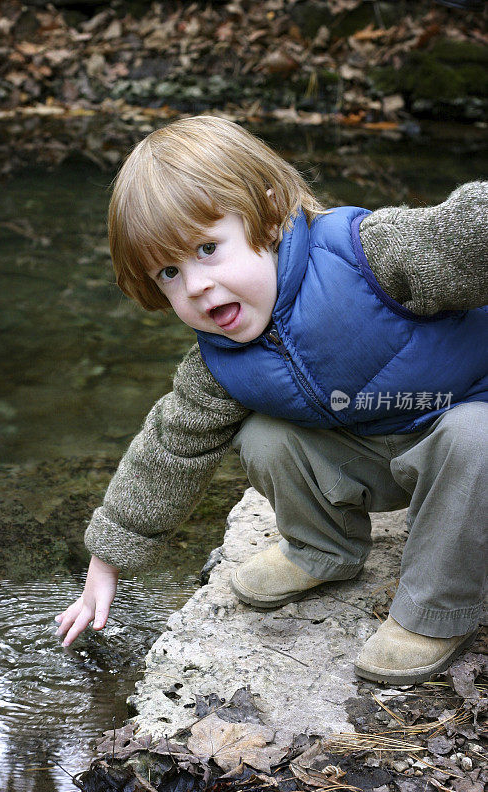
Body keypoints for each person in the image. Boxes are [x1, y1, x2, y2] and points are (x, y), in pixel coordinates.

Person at [55, 116, 487, 685]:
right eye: (168, 271)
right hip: (388, 454)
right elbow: (166, 455)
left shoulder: (366, 255)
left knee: (474, 434)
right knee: (263, 434)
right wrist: (106, 564)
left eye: (207, 248)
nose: (195, 286)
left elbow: (460, 235)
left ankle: (434, 612)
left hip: (468, 448)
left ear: (269, 211)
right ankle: (323, 550)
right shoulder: (220, 362)